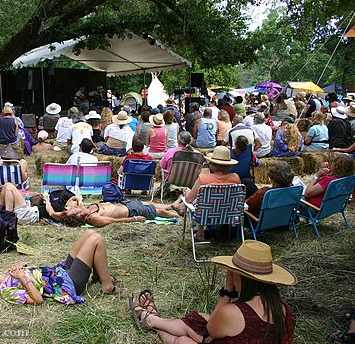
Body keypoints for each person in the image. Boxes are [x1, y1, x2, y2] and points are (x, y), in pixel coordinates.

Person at [130, 240, 296, 343]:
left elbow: (211, 330)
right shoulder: (285, 311)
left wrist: (228, 291)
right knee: (198, 318)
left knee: (182, 341)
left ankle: (152, 321)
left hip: (220, 327)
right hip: (229, 326)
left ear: (241, 278)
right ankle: (154, 321)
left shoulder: (235, 312)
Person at [0, 229, 127, 305]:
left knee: (89, 234)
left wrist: (22, 268)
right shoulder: (6, 292)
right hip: (66, 284)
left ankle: (98, 276)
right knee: (96, 239)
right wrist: (23, 277)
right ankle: (108, 286)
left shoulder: (8, 273)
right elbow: (38, 300)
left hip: (59, 271)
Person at [172, 146, 240, 241]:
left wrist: (185, 196)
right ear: (229, 165)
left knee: (200, 202)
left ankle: (200, 233)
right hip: (228, 216)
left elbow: (188, 200)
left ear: (211, 165)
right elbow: (239, 201)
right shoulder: (236, 178)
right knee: (203, 202)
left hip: (205, 217)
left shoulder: (203, 179)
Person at [57, 198, 179, 227]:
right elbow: (113, 221)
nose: (71, 208)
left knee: (149, 204)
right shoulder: (92, 218)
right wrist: (134, 219)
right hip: (131, 211)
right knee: (158, 211)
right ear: (77, 216)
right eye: (71, 211)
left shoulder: (84, 209)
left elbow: (73, 200)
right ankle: (178, 214)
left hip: (125, 204)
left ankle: (173, 205)